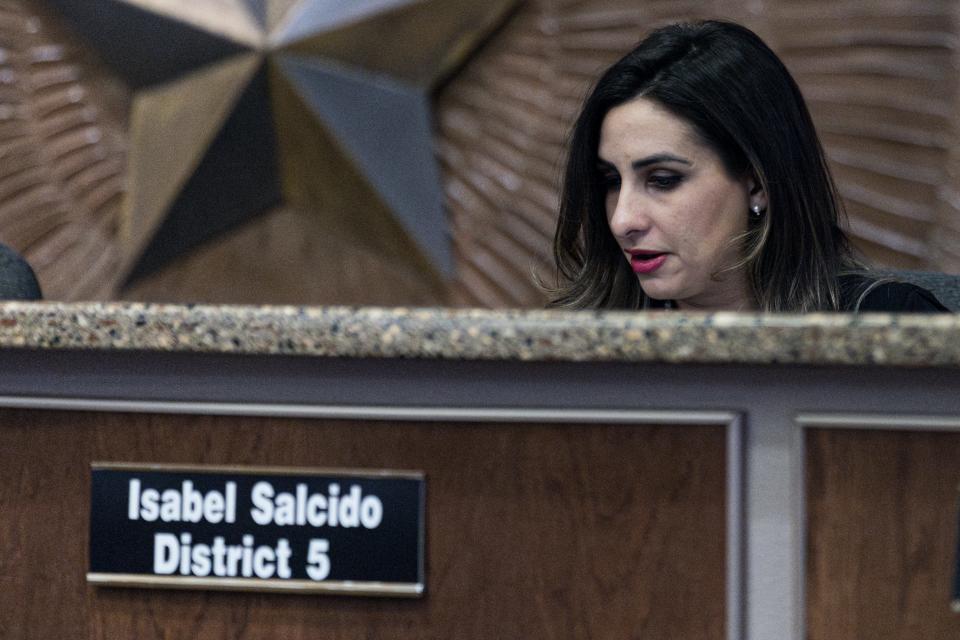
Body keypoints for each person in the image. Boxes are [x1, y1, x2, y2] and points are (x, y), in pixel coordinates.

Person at [548, 20, 948, 312]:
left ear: (758, 184)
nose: (622, 221)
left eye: (663, 180)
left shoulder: (889, 324)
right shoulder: (575, 346)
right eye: (612, 180)